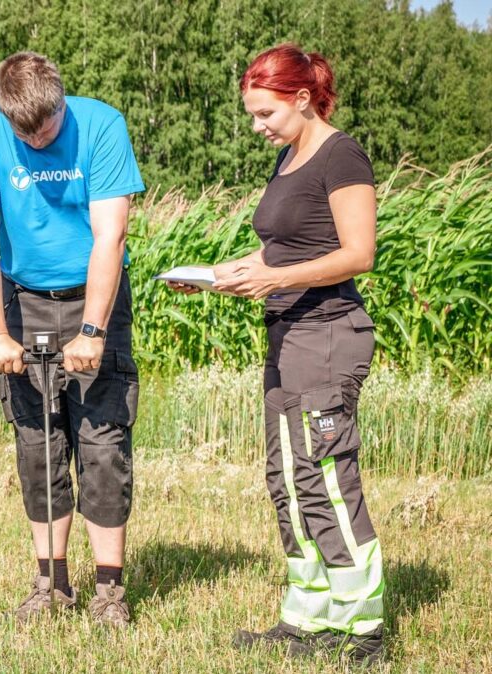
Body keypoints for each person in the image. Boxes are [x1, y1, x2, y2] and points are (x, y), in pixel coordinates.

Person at [167, 43, 384, 664]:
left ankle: (362, 629)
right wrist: (218, 274)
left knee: (327, 482)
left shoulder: (341, 156)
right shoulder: (291, 158)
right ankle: (306, 618)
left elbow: (357, 253)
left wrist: (276, 281)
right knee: (288, 480)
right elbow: (279, 252)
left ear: (301, 98)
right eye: (253, 116)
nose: (258, 127)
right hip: (287, 334)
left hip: (328, 333)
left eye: (266, 114)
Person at [0, 51, 146, 625]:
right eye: (25, 133)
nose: (37, 141)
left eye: (47, 128)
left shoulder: (102, 125)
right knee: (38, 443)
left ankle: (109, 591)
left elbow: (109, 236)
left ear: (62, 101)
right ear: (4, 115)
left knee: (102, 443)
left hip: (94, 294)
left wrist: (92, 329)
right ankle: (51, 582)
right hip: (24, 301)